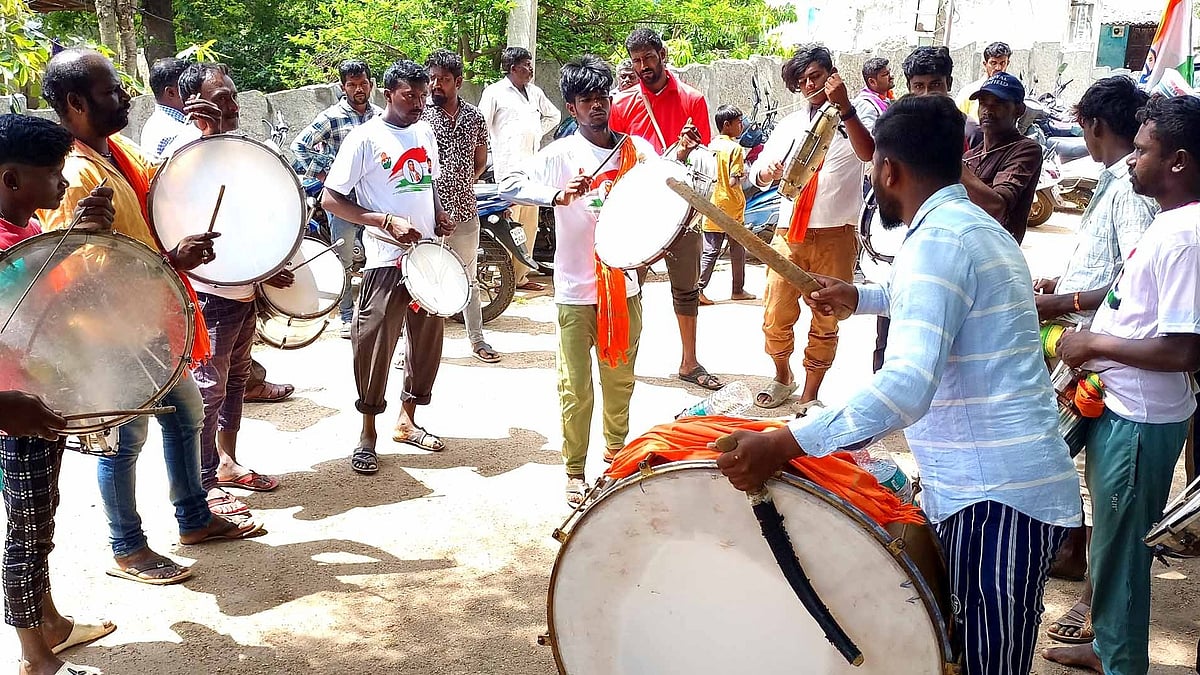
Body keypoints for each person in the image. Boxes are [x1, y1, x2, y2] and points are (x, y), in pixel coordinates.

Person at [716, 93, 1081, 675]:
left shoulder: (941, 239)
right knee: (968, 654)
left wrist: (786, 442)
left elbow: (907, 387)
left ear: (889, 169)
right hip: (992, 486)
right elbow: (941, 299)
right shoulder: (969, 227)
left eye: (874, 171)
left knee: (990, 666)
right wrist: (859, 297)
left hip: (996, 495)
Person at [38, 49, 263, 586]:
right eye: (112, 90)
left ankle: (193, 517)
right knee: (124, 439)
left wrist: (204, 138)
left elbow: (164, 194)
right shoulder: (73, 174)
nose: (126, 96)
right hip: (109, 334)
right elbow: (87, 275)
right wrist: (172, 262)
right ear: (74, 103)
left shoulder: (117, 150)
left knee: (186, 413)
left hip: (150, 321)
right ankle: (127, 548)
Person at [1043, 95, 1200, 675]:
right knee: (1110, 546)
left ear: (1178, 161)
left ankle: (1122, 661)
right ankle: (1109, 645)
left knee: (1126, 555)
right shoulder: (1170, 223)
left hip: (1140, 420)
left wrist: (1093, 345)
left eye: (1142, 150)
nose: (1131, 161)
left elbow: (1185, 348)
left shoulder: (1186, 236)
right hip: (1120, 406)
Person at [1031, 76, 1156, 645]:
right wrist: (1068, 283)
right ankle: (1077, 562)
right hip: (1089, 343)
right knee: (1076, 465)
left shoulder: (1131, 186)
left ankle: (1090, 596)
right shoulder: (1117, 182)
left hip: (1099, 351)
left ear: (1094, 127)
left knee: (1062, 456)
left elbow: (1133, 275)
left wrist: (1064, 300)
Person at [501, 55, 651, 506]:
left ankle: (616, 457)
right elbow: (509, 185)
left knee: (619, 379)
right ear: (571, 108)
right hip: (574, 291)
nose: (597, 107)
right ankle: (573, 470)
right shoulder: (559, 155)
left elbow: (667, 194)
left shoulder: (637, 152)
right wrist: (554, 195)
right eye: (586, 101)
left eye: (602, 98)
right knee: (575, 386)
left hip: (624, 288)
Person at [1, 115, 116, 675]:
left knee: (41, 519)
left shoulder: (22, 232)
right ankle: (34, 657)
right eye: (53, 175)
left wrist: (78, 241)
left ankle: (51, 624)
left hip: (36, 400)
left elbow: (44, 298)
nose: (63, 186)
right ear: (12, 178)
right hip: (12, 412)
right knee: (25, 532)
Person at [161, 62, 293, 517]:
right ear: (191, 105)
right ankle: (203, 480)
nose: (232, 106)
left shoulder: (238, 151)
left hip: (242, 293)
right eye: (221, 99)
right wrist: (205, 134)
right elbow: (180, 227)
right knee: (207, 389)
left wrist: (266, 268)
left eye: (233, 96)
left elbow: (246, 221)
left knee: (236, 382)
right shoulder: (184, 155)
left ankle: (227, 464)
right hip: (208, 294)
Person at [323, 59, 454, 475]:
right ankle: (367, 433)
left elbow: (427, 183)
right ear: (387, 93)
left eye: (421, 94)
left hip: (427, 257)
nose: (418, 102)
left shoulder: (425, 131)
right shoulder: (365, 139)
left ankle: (407, 420)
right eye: (408, 95)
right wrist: (383, 221)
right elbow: (331, 198)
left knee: (426, 342)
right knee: (374, 342)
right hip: (385, 261)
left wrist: (439, 213)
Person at [750, 45, 874, 410]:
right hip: (789, 234)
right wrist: (766, 172)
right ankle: (782, 376)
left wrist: (845, 107)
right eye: (802, 81)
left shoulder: (859, 111)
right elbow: (757, 176)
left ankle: (810, 394)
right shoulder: (790, 124)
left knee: (826, 316)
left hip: (836, 233)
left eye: (816, 77)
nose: (809, 85)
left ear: (832, 75)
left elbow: (868, 153)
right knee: (775, 314)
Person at [610, 28, 723, 391]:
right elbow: (616, 160)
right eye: (636, 61)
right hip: (639, 213)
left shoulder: (693, 99)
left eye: (648, 58)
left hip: (682, 211)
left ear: (662, 54)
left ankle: (689, 362)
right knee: (628, 286)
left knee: (686, 288)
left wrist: (689, 151)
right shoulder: (623, 104)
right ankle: (623, 360)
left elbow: (705, 158)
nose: (643, 66)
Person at [291, 60, 383, 337]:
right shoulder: (331, 117)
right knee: (343, 256)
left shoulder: (379, 116)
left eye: (363, 83)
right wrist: (322, 173)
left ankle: (377, 314)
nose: (359, 89)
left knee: (378, 256)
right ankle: (346, 316)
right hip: (341, 199)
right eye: (352, 85)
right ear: (343, 87)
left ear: (371, 84)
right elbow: (300, 145)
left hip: (373, 198)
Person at [422, 50, 498, 363]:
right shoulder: (420, 118)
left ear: (458, 82)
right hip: (428, 216)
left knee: (469, 279)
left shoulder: (475, 117)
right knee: (425, 280)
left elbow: (481, 160)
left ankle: (478, 340)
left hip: (465, 212)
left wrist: (462, 185)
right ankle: (419, 348)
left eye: (443, 79)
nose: (435, 85)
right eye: (432, 79)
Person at [478, 47, 560, 292]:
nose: (531, 68)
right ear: (513, 68)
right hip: (506, 167)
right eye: (526, 64)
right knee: (508, 223)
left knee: (529, 224)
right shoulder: (494, 92)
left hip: (531, 168)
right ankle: (502, 279)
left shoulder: (535, 92)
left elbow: (553, 116)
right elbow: (481, 126)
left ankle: (520, 276)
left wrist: (533, 133)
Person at [961, 72, 1042, 243]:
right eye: (983, 103)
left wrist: (952, 165)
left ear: (1019, 110)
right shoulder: (970, 156)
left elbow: (996, 205)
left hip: (997, 252)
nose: (987, 111)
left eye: (999, 104)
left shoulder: (1026, 150)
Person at [697, 105, 754, 306]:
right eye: (739, 123)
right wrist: (743, 175)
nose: (741, 126)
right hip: (730, 205)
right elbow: (732, 181)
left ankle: (701, 288)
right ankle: (735, 289)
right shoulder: (735, 149)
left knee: (711, 250)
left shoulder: (709, 146)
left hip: (711, 203)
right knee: (736, 249)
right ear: (727, 125)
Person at [139, 56, 190, 161]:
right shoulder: (172, 132)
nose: (195, 91)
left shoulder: (162, 124)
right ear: (171, 92)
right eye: (189, 86)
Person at [956, 41, 1011, 120]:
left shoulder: (1012, 91)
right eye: (993, 63)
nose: (998, 68)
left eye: (1002, 63)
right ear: (985, 65)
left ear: (1007, 63)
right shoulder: (968, 92)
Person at [854, 57, 894, 132]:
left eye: (890, 72)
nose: (892, 76)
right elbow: (868, 138)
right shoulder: (865, 105)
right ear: (872, 82)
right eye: (886, 74)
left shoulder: (886, 100)